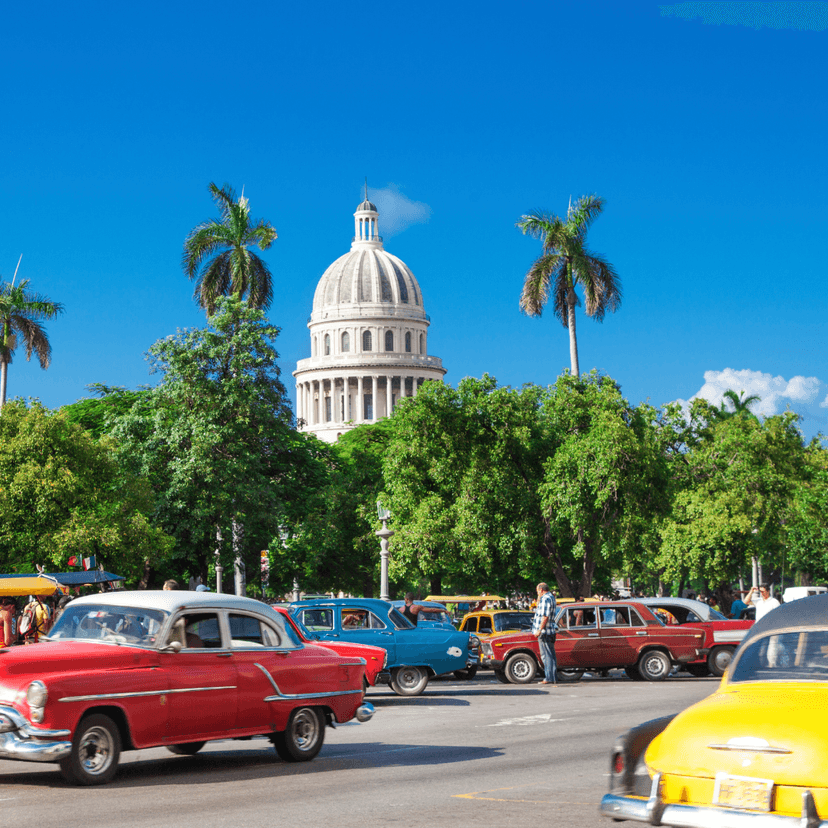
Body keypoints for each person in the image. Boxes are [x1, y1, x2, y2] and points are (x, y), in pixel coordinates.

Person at [532, 582, 557, 686]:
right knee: (549, 655)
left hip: (545, 631)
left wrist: (539, 629)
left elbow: (545, 616)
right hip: (549, 630)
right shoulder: (550, 597)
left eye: (538, 590)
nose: (537, 593)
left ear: (541, 590)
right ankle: (551, 676)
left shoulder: (546, 599)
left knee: (546, 655)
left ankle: (549, 677)